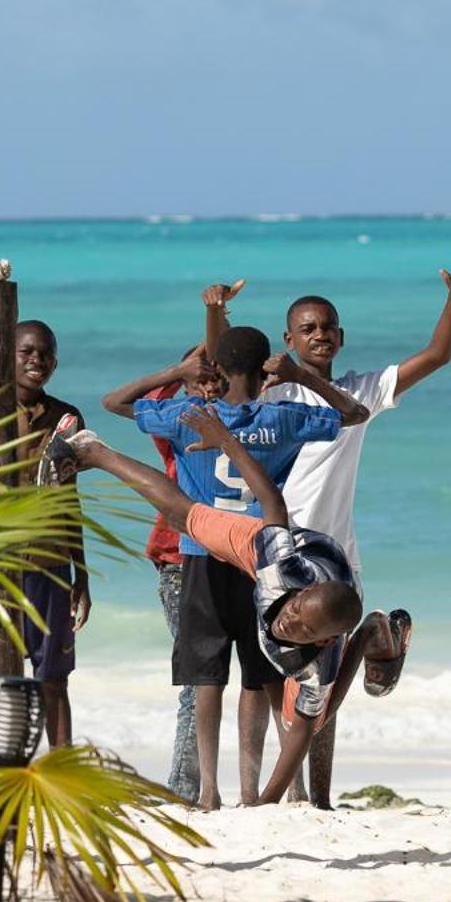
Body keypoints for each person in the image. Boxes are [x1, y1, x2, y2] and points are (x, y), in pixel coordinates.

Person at [204, 269, 451, 807]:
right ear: (288, 340)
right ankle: (265, 792)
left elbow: (436, 356)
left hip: (333, 560)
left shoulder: (358, 391)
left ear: (342, 336)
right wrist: (216, 311)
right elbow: (221, 367)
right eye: (307, 328)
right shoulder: (272, 390)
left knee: (321, 682)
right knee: (268, 674)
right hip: (276, 549)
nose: (319, 334)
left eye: (328, 326)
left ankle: (319, 799)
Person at [44, 407, 410, 805]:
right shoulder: (280, 561)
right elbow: (272, 502)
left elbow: (299, 736)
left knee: (311, 719)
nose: (289, 623)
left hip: (333, 595)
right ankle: (92, 451)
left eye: (304, 631)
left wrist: (266, 805)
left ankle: (373, 632)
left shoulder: (317, 664)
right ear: (298, 595)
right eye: (294, 611)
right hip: (290, 552)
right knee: (184, 517)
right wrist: (226, 441)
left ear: (323, 642)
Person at [102, 325, 367, 808]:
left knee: (206, 678)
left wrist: (178, 372)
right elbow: (355, 413)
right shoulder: (284, 416)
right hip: (262, 560)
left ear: (215, 368)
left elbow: (115, 404)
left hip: (203, 556)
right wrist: (300, 378)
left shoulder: (190, 415)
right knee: (260, 676)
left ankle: (209, 792)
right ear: (267, 363)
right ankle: (253, 790)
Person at [101, 343, 220, 803]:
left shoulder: (242, 418)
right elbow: (115, 402)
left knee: (247, 673)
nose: (207, 384)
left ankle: (215, 785)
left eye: (214, 374)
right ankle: (185, 787)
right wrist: (177, 371)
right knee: (196, 676)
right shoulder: (176, 418)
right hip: (178, 558)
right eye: (198, 377)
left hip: (232, 554)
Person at [8, 319, 88, 747]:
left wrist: (82, 573)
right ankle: (0, 775)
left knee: (54, 679)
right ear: (8, 355)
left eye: (45, 353)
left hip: (51, 566)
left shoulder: (67, 419)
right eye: (26, 351)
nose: (36, 359)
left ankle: (62, 774)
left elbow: (70, 499)